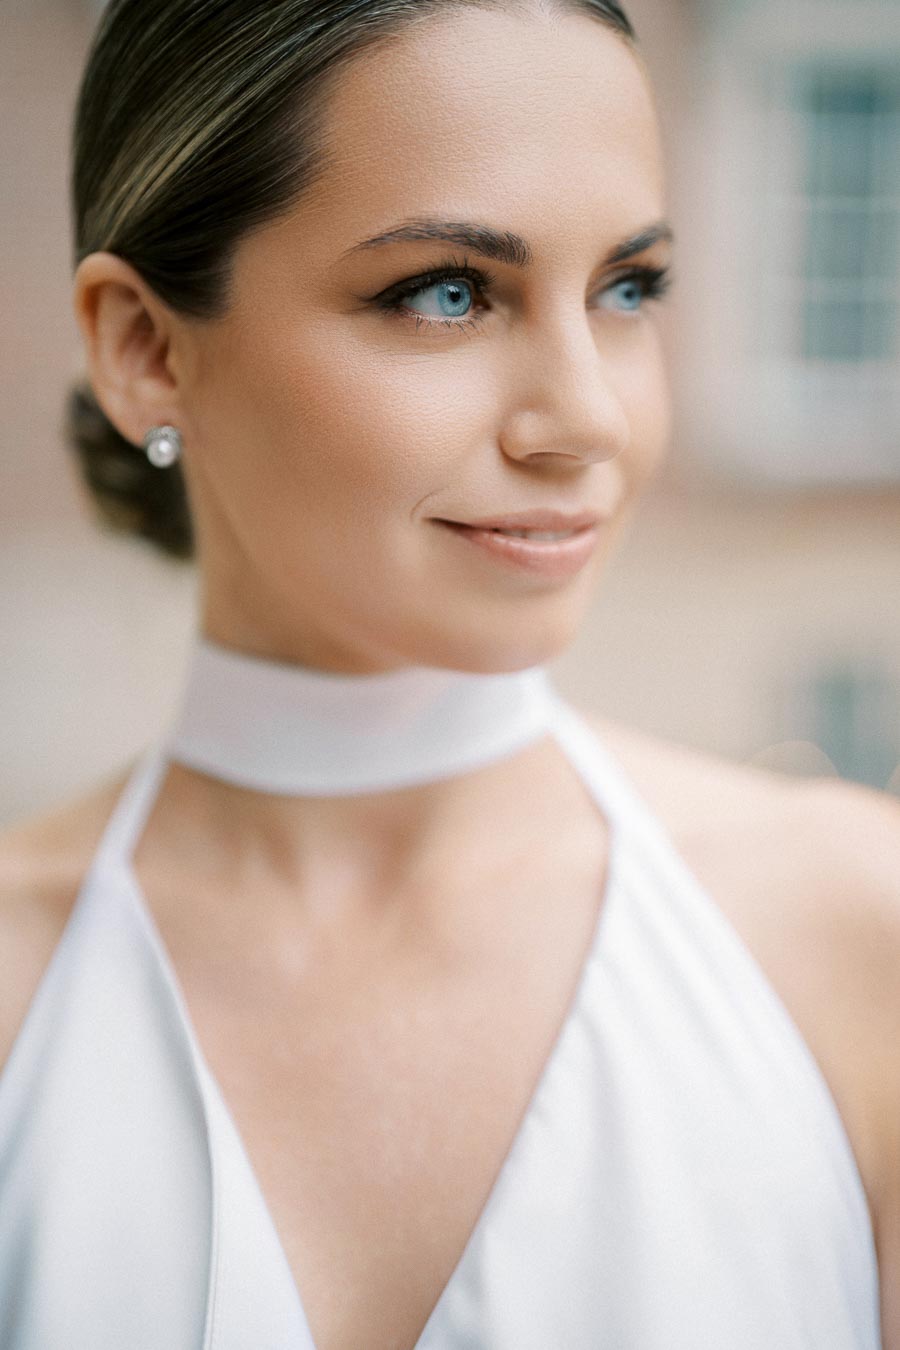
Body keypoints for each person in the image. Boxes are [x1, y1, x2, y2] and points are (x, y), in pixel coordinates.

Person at [0, 0, 898, 1346]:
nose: (587, 416)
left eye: (629, 288)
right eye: (447, 292)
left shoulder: (858, 934)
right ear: (144, 346)